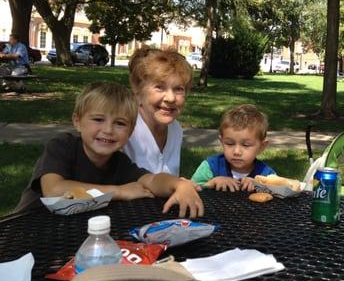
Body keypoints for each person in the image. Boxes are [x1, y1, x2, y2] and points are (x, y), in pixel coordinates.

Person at [14, 81, 203, 218]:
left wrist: (178, 185)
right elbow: (54, 190)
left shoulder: (119, 162)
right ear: (77, 122)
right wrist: (118, 191)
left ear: (130, 133)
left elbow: (151, 180)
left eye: (120, 123)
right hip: (27, 228)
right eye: (98, 119)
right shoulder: (63, 146)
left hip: (71, 234)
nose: (108, 130)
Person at [123, 47, 192, 175]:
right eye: (159, 87)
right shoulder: (124, 129)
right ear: (138, 91)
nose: (170, 98)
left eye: (178, 89)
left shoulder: (175, 129)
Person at [191, 104, 276, 192]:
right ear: (222, 141)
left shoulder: (267, 175)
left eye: (246, 145)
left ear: (262, 146)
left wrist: (259, 185)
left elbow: (280, 195)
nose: (237, 152)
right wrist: (212, 183)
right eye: (230, 143)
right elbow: (191, 190)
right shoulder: (210, 167)